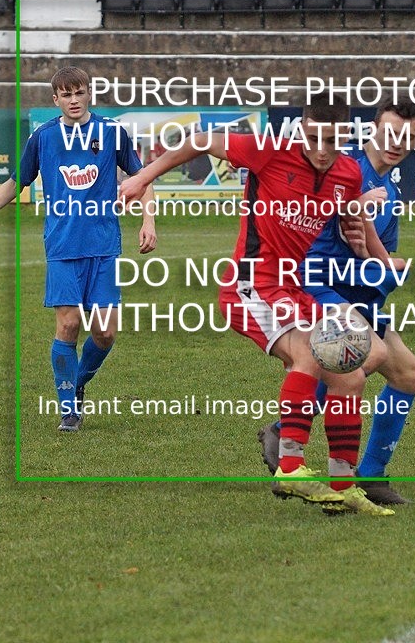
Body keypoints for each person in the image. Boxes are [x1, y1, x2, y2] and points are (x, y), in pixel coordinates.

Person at [120, 95, 395, 516]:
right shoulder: (269, 151)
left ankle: (344, 486)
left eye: (333, 141)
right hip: (249, 284)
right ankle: (290, 468)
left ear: (346, 135)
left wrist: (370, 248)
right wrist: (143, 177)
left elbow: (348, 215)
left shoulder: (347, 173)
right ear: (301, 130)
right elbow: (200, 141)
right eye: (314, 138)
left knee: (351, 375)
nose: (322, 150)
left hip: (292, 287)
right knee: (309, 352)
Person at [0, 66, 157, 431]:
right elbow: (16, 183)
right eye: (66, 94)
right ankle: (69, 410)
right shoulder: (43, 137)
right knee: (69, 323)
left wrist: (148, 221)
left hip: (103, 247)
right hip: (62, 247)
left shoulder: (111, 132)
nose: (74, 100)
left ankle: (77, 383)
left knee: (105, 333)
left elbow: (143, 177)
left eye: (79, 92)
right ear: (55, 99)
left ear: (88, 93)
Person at [258, 100, 415, 505]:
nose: (396, 142)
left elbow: (378, 259)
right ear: (372, 129)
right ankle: (287, 437)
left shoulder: (391, 194)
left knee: (408, 373)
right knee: (364, 356)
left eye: (407, 136)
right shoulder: (342, 165)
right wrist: (354, 211)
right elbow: (302, 206)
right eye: (390, 132)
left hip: (354, 292)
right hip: (315, 282)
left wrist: (379, 260)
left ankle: (371, 475)